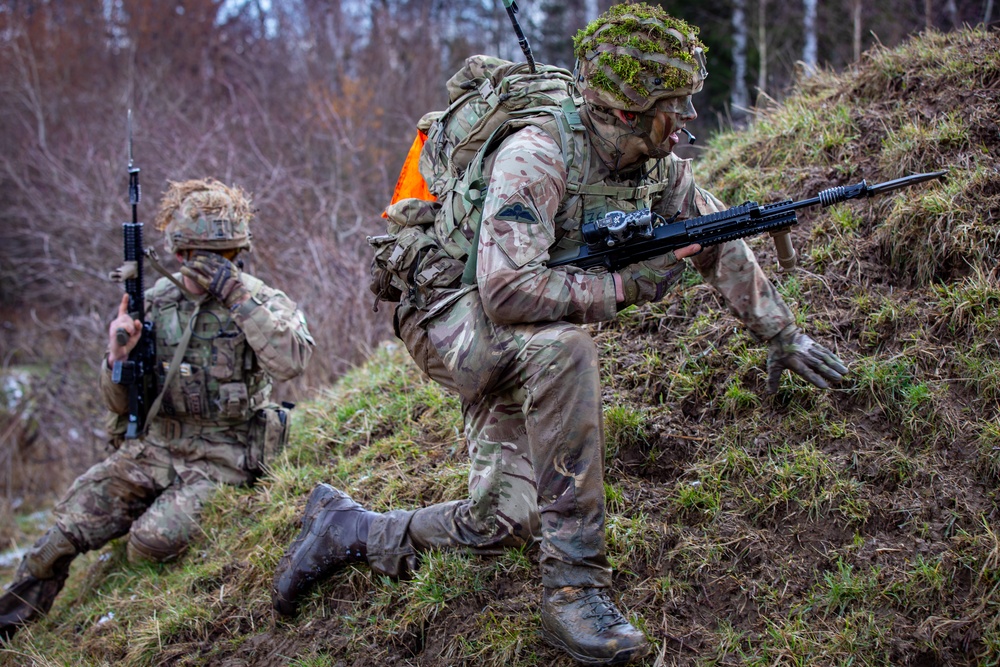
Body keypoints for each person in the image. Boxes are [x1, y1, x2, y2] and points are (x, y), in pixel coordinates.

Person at [271, 3, 847, 665]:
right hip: (451, 316)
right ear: (630, 111)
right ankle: (574, 590)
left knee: (504, 519)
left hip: (512, 326)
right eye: (675, 105)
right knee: (564, 345)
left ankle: (347, 528)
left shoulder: (659, 165)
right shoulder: (538, 155)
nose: (686, 119)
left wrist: (782, 334)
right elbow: (506, 289)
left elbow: (713, 235)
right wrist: (626, 287)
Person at [0, 178, 314, 641]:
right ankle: (10, 627)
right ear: (178, 253)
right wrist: (116, 359)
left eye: (222, 257)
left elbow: (292, 362)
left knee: (150, 543)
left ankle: (142, 533)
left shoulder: (260, 300)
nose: (208, 267)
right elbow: (118, 403)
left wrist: (235, 297)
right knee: (58, 536)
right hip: (155, 448)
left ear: (237, 253)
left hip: (222, 456)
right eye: (198, 255)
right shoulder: (155, 304)